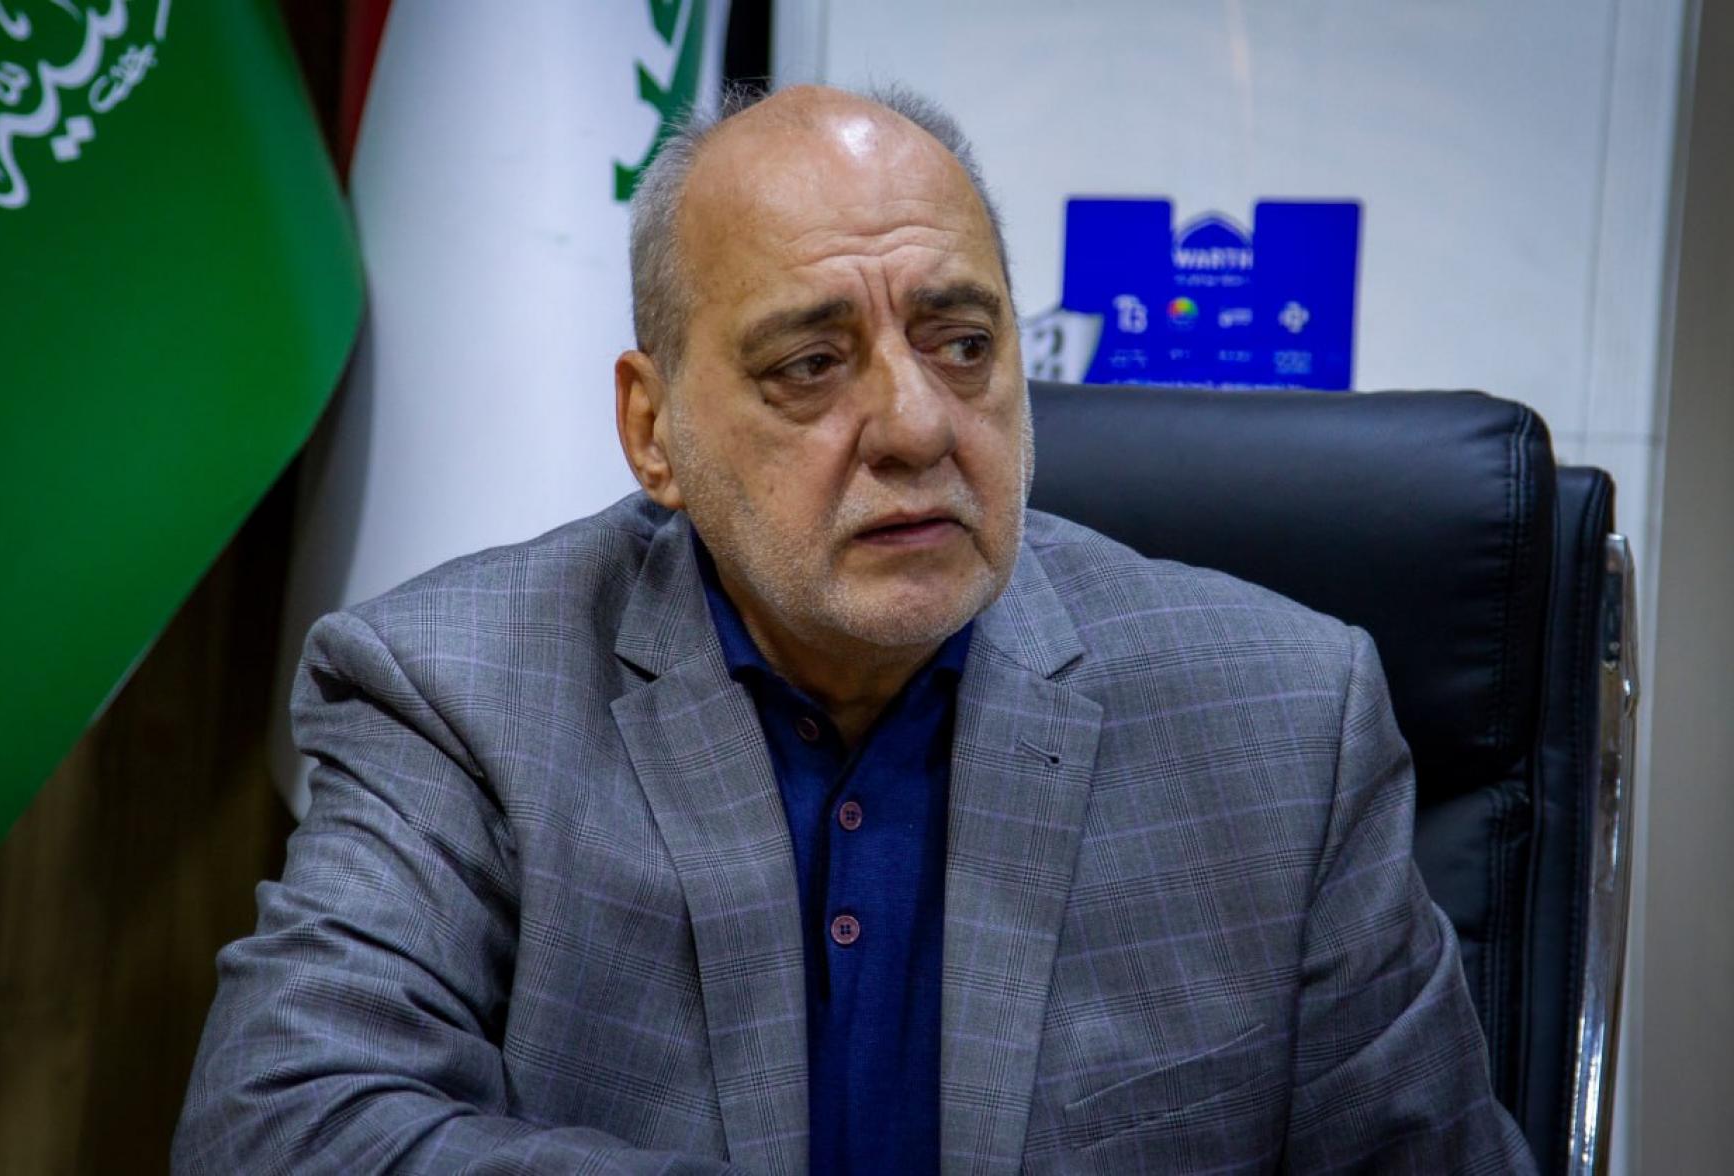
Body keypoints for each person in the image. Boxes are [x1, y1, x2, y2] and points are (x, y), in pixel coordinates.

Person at [175, 84, 1535, 1174]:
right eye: (811, 365)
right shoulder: (458, 690)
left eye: (962, 344)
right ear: (654, 431)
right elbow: (279, 1126)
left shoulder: (1286, 721)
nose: (917, 426)